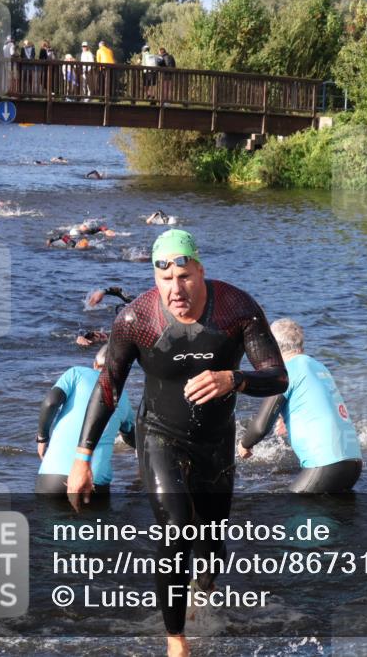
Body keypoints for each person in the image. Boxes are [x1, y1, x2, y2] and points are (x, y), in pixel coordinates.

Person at [66, 229, 287, 657]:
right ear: (155, 279)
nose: (176, 289)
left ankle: (203, 590)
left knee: (212, 548)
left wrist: (234, 379)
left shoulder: (236, 308)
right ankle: (176, 641)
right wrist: (82, 458)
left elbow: (278, 377)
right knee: (176, 526)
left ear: (200, 271)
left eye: (184, 277)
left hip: (215, 442)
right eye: (165, 279)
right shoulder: (136, 320)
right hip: (159, 435)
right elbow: (108, 387)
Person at [240, 318, 363, 493]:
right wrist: (288, 416)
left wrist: (245, 444)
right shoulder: (318, 366)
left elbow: (260, 427)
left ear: (272, 347)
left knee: (290, 506)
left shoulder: (286, 371)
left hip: (326, 464)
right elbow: (318, 402)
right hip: (353, 464)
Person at [36, 344, 135, 496]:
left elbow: (51, 403)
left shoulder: (76, 373)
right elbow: (132, 437)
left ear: (95, 363)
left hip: (53, 476)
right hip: (95, 479)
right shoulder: (124, 397)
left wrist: (42, 437)